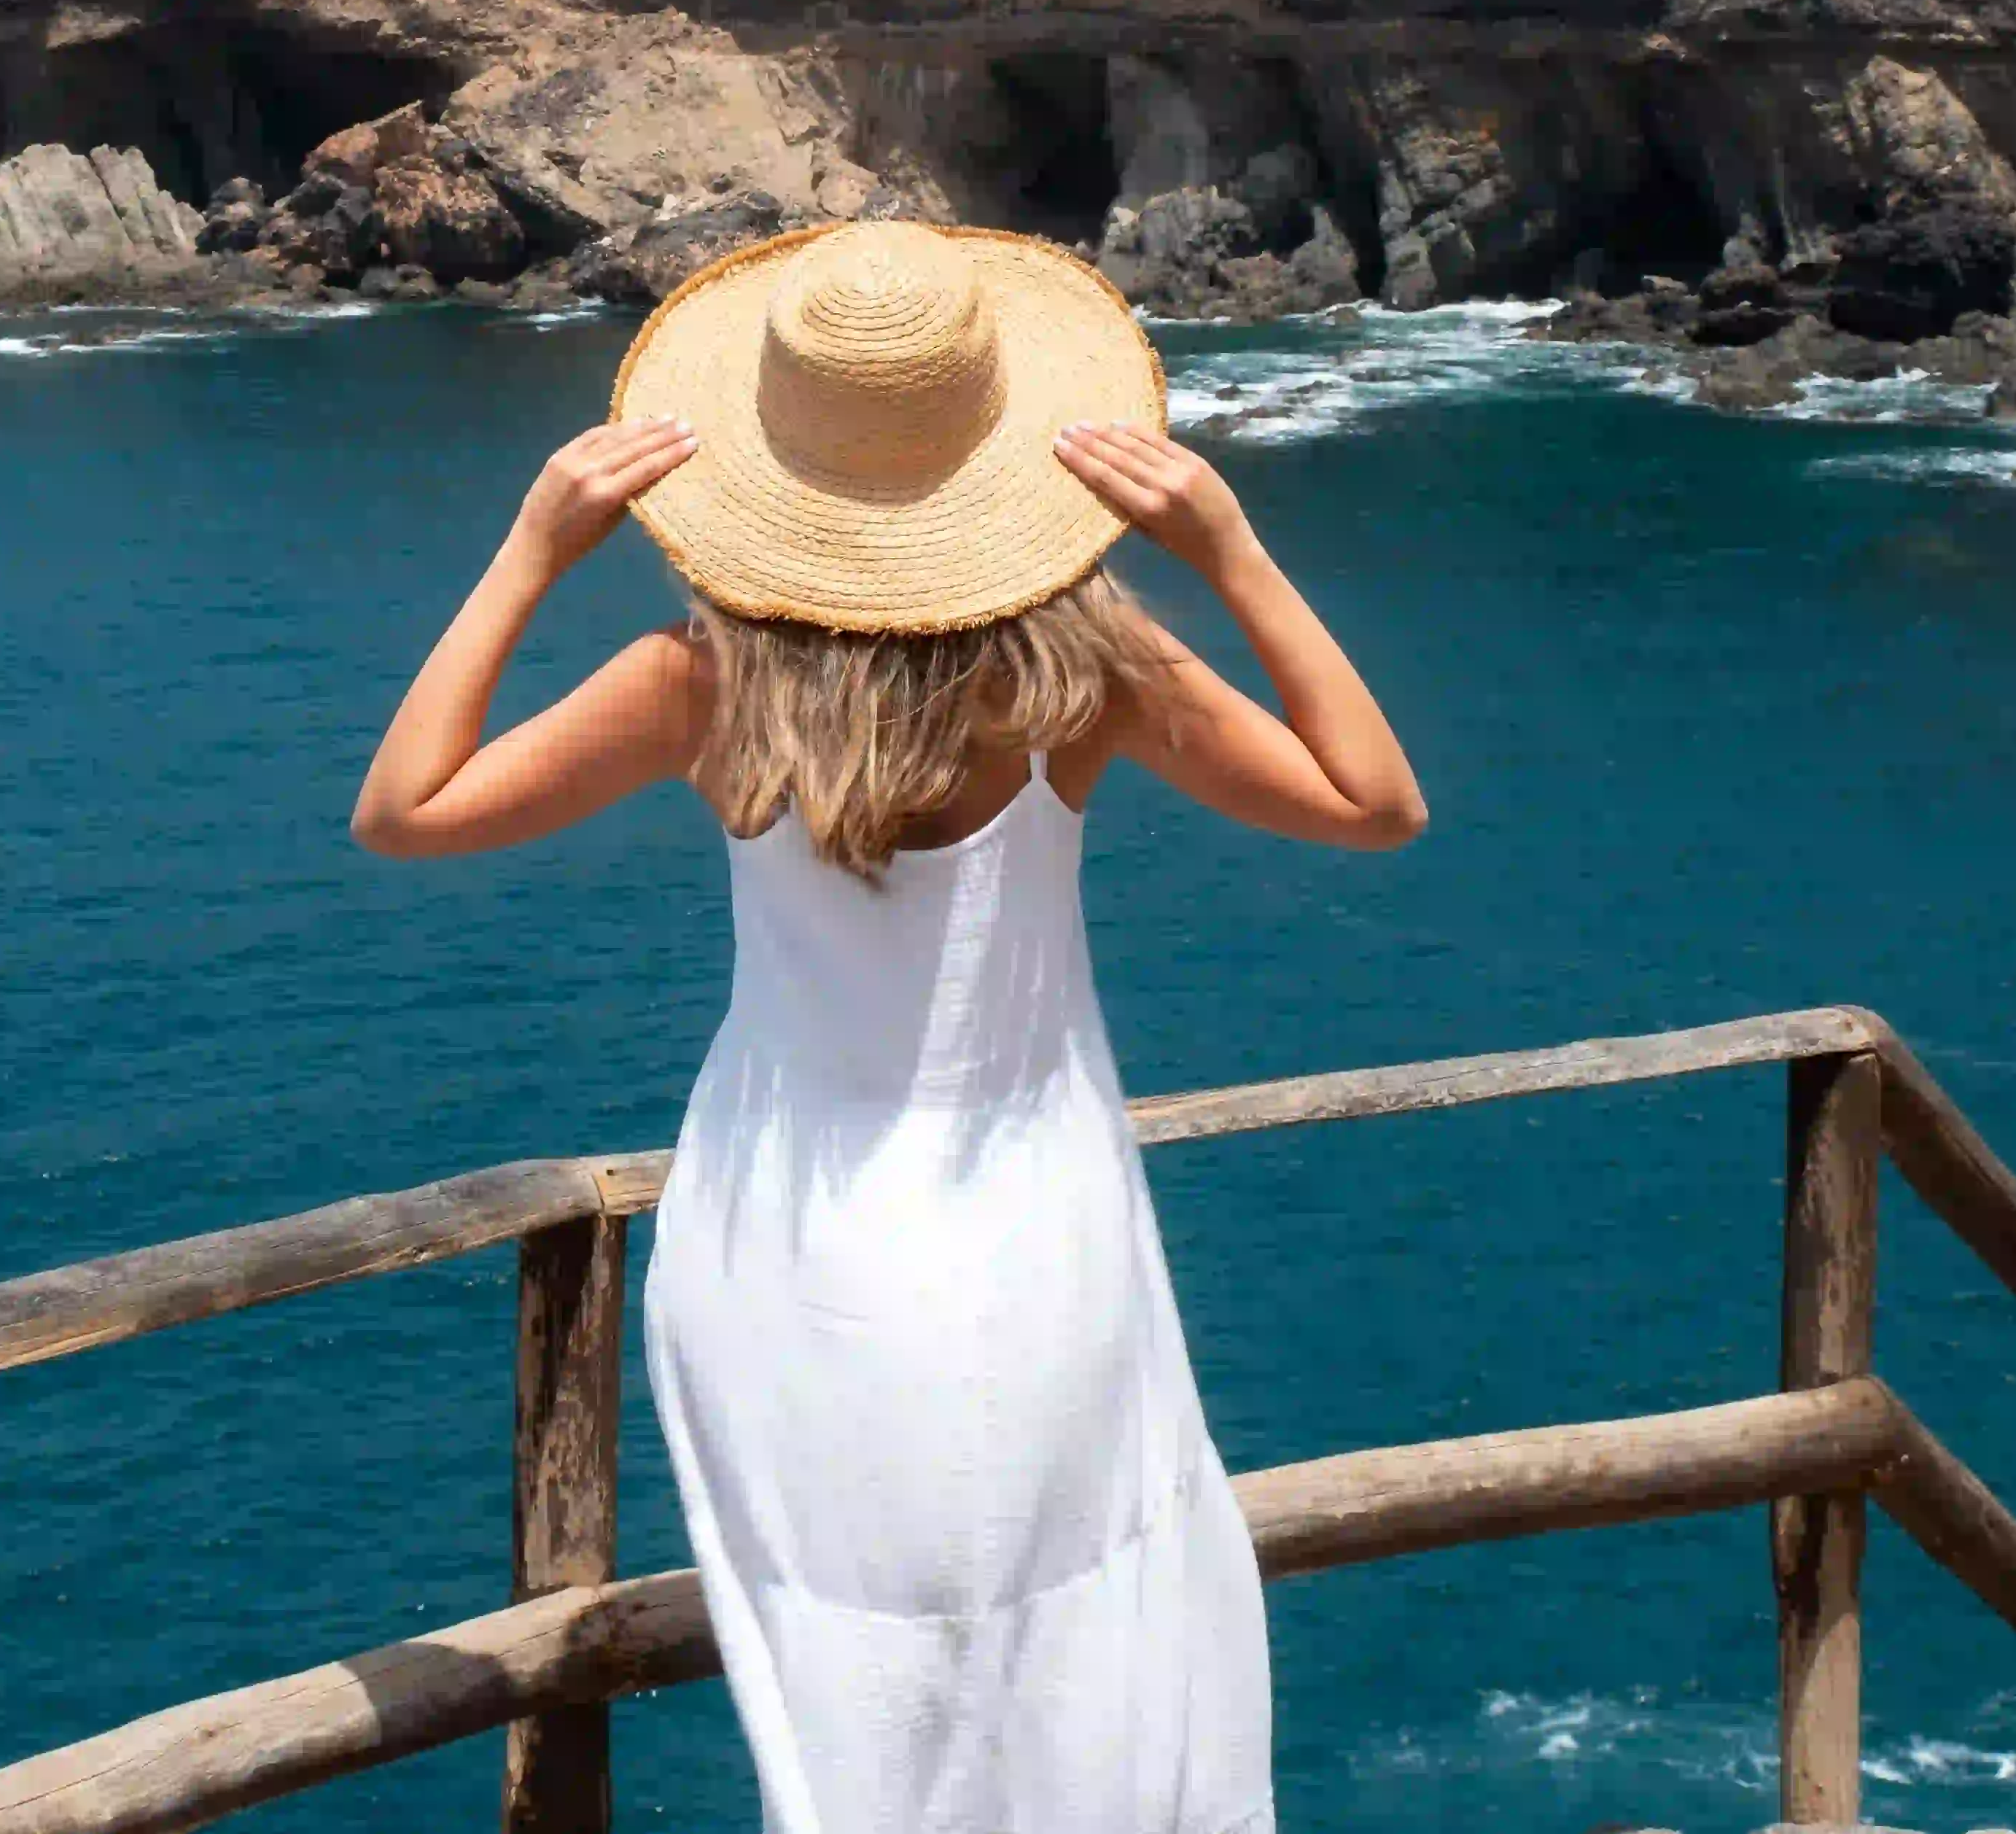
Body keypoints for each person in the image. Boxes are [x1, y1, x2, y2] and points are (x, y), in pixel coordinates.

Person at [353, 219, 1425, 1834]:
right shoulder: (1085, 675)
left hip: (790, 1249)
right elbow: (1376, 803)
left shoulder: (696, 687)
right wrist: (1230, 547)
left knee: (851, 1681)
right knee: (1082, 1635)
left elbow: (402, 811)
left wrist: (528, 550)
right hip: (1039, 1232)